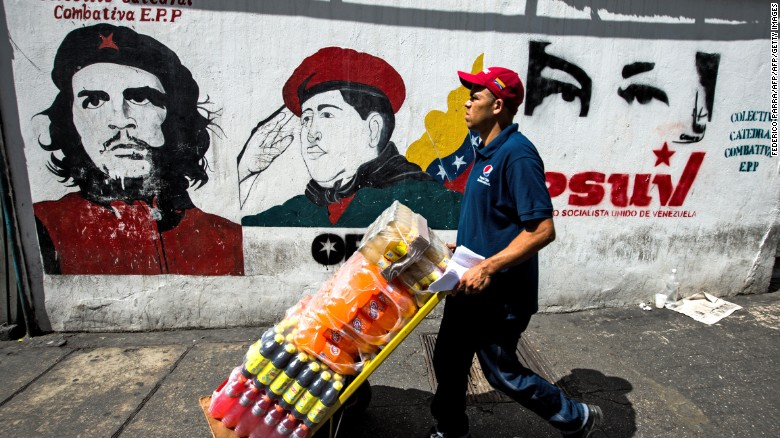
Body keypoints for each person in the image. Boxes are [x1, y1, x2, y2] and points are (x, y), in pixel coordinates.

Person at [428, 67, 601, 437]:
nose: (466, 101)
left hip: (499, 294)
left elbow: (542, 230)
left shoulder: (517, 156)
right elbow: (497, 218)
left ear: (498, 105)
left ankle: (575, 417)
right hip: (468, 286)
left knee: (502, 372)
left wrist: (488, 267)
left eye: (476, 95)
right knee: (448, 359)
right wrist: (465, 248)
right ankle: (451, 428)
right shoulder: (485, 152)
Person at [34, 23, 243, 275]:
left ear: (175, 116)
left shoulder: (228, 240)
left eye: (140, 98)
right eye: (94, 101)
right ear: (71, 122)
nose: (120, 119)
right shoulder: (42, 225)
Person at [239, 47, 462, 229]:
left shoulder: (424, 200)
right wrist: (245, 172)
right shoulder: (301, 210)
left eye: (327, 114)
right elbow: (234, 244)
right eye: (306, 118)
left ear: (373, 129)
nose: (311, 132)